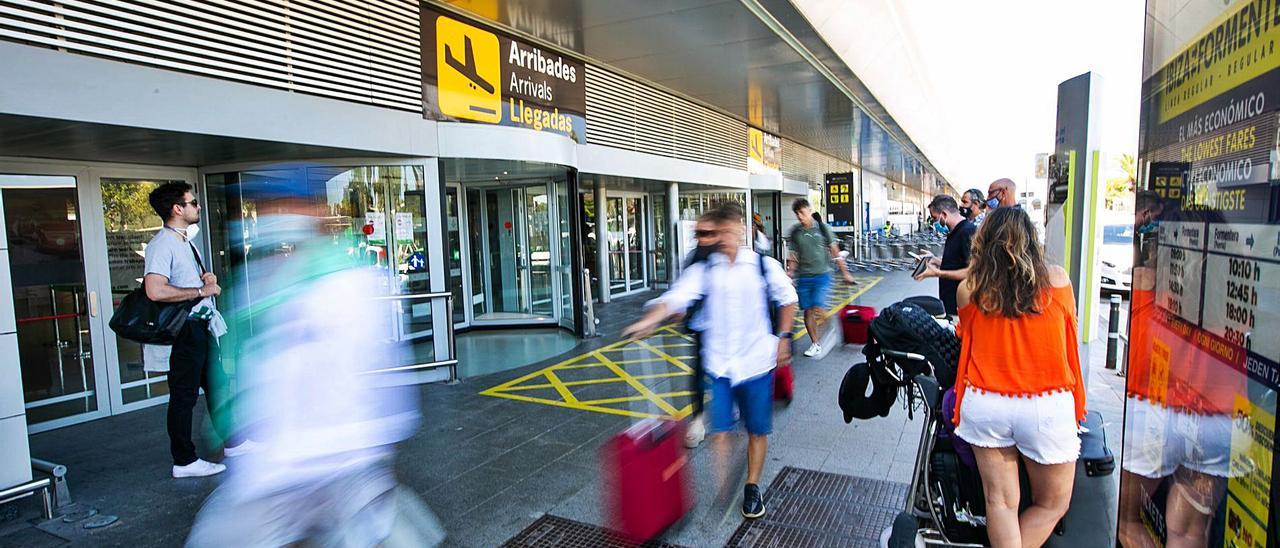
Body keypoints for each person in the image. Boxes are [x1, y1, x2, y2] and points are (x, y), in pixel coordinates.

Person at [624, 203, 797, 520]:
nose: (725, 238)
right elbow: (674, 298)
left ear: (741, 230)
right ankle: (724, 485)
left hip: (757, 363)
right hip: (720, 366)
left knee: (757, 431)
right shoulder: (704, 271)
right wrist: (648, 321)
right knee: (720, 432)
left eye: (730, 231)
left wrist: (784, 337)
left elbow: (788, 299)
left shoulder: (762, 265)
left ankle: (752, 486)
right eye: (719, 233)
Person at [952, 207, 1085, 548]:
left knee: (1000, 502)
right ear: (1032, 240)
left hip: (986, 403)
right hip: (1045, 403)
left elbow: (967, 335)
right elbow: (1068, 328)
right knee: (1052, 502)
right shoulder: (1057, 279)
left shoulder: (971, 289)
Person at [143, 182, 241, 478]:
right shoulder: (162, 244)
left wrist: (203, 280)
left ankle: (234, 442)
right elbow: (154, 290)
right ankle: (184, 460)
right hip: (184, 330)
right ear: (177, 208)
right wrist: (201, 289)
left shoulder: (185, 241)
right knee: (184, 394)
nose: (197, 207)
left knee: (217, 385)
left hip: (200, 325)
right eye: (193, 202)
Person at [785, 198, 855, 357]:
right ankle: (815, 343)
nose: (800, 217)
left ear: (809, 210)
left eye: (802, 213)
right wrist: (789, 273)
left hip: (822, 274)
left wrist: (845, 273)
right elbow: (793, 255)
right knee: (807, 311)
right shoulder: (796, 232)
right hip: (804, 277)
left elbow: (835, 252)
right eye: (797, 214)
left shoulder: (823, 228)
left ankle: (830, 329)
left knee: (817, 306)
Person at [680, 216, 721, 448]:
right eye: (698, 234)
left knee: (722, 372)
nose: (701, 238)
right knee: (698, 374)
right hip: (702, 327)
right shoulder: (694, 259)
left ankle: (732, 403)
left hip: (724, 328)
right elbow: (683, 292)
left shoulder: (726, 259)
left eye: (707, 233)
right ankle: (697, 421)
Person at [913, 195, 975, 318]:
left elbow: (972, 272)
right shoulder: (954, 232)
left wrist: (937, 273)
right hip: (949, 303)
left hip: (960, 306)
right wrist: (933, 259)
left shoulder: (967, 232)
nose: (934, 222)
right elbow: (955, 264)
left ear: (944, 214)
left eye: (935, 218)